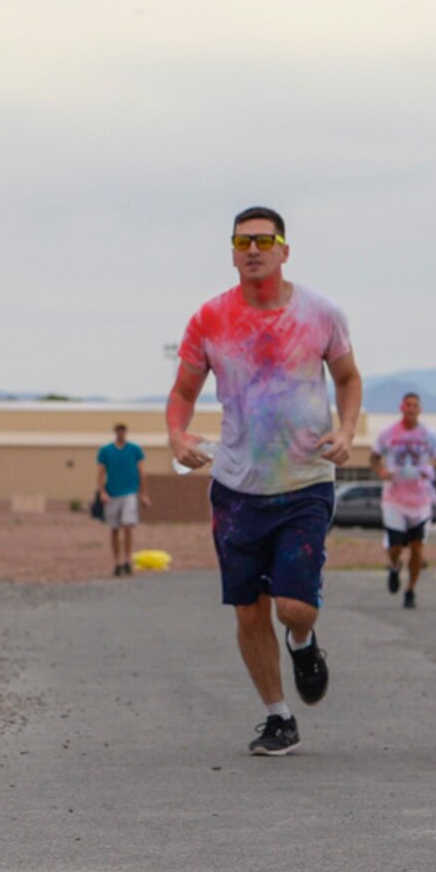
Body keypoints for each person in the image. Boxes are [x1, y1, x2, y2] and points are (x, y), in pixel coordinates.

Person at [167, 205, 361, 757]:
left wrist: (346, 429)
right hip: (235, 487)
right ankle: (278, 716)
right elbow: (183, 392)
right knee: (248, 606)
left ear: (284, 249)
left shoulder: (321, 313)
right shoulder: (209, 318)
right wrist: (178, 437)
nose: (253, 250)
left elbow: (347, 378)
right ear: (232, 252)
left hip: (304, 479)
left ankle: (302, 640)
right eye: (242, 242)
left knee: (293, 607)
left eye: (264, 240)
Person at [371, 392, 436, 609]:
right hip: (394, 498)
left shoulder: (429, 433)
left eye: (415, 406)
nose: (411, 409)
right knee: (395, 547)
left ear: (420, 410)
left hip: (420, 500)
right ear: (402, 408)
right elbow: (374, 456)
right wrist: (381, 470)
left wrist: (429, 471)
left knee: (418, 547)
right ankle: (394, 566)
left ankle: (410, 590)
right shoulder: (388, 433)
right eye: (407, 405)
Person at [95, 422, 149, 576]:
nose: (121, 433)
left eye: (123, 431)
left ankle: (127, 560)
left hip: (129, 492)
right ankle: (117, 561)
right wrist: (102, 492)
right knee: (114, 529)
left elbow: (141, 472)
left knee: (128, 525)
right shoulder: (106, 451)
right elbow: (100, 472)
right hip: (112, 493)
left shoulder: (134, 450)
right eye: (118, 431)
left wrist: (143, 494)